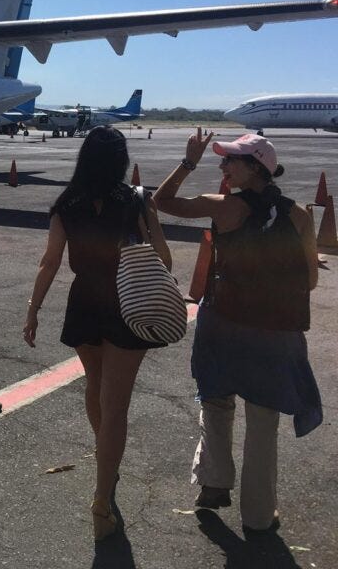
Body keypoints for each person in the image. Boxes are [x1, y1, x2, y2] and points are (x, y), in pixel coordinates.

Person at [153, 129, 320, 534]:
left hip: (223, 325)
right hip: (274, 333)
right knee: (263, 422)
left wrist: (188, 162)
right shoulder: (299, 214)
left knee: (216, 403)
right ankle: (259, 517)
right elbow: (311, 280)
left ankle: (213, 485)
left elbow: (160, 202)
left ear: (255, 167)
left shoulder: (224, 207)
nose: (224, 165)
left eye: (232, 159)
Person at [23, 125, 171, 541]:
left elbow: (49, 261)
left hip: (84, 299)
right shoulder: (136, 201)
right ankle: (102, 496)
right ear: (121, 160)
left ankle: (107, 458)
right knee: (116, 404)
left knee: (96, 385)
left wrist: (33, 310)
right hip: (128, 301)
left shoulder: (66, 203)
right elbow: (163, 257)